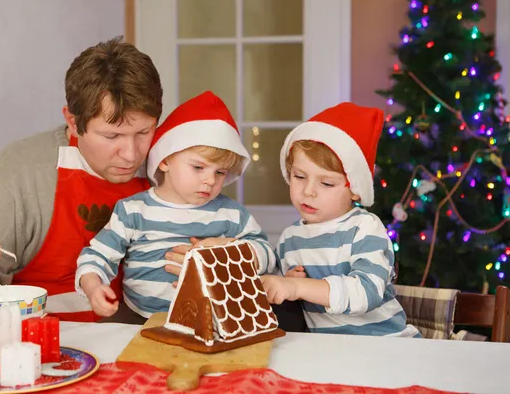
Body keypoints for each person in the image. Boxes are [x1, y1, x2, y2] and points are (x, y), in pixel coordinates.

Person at [0, 36, 165, 322]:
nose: (132, 155)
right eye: (112, 136)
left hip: (143, 340)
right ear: (73, 122)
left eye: (144, 132)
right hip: (38, 343)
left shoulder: (170, 160)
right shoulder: (20, 171)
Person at [75, 91, 276, 321]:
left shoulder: (230, 214)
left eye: (220, 172)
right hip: (139, 319)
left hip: (211, 321)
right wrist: (93, 287)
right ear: (165, 160)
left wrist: (229, 251)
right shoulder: (133, 211)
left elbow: (268, 257)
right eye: (199, 167)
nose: (210, 180)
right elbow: (97, 256)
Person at [260, 102, 420, 337]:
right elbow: (289, 304)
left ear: (354, 189)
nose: (308, 191)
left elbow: (367, 292)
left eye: (326, 183)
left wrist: (298, 286)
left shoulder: (364, 228)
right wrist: (286, 284)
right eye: (299, 176)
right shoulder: (289, 239)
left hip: (385, 346)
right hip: (329, 353)